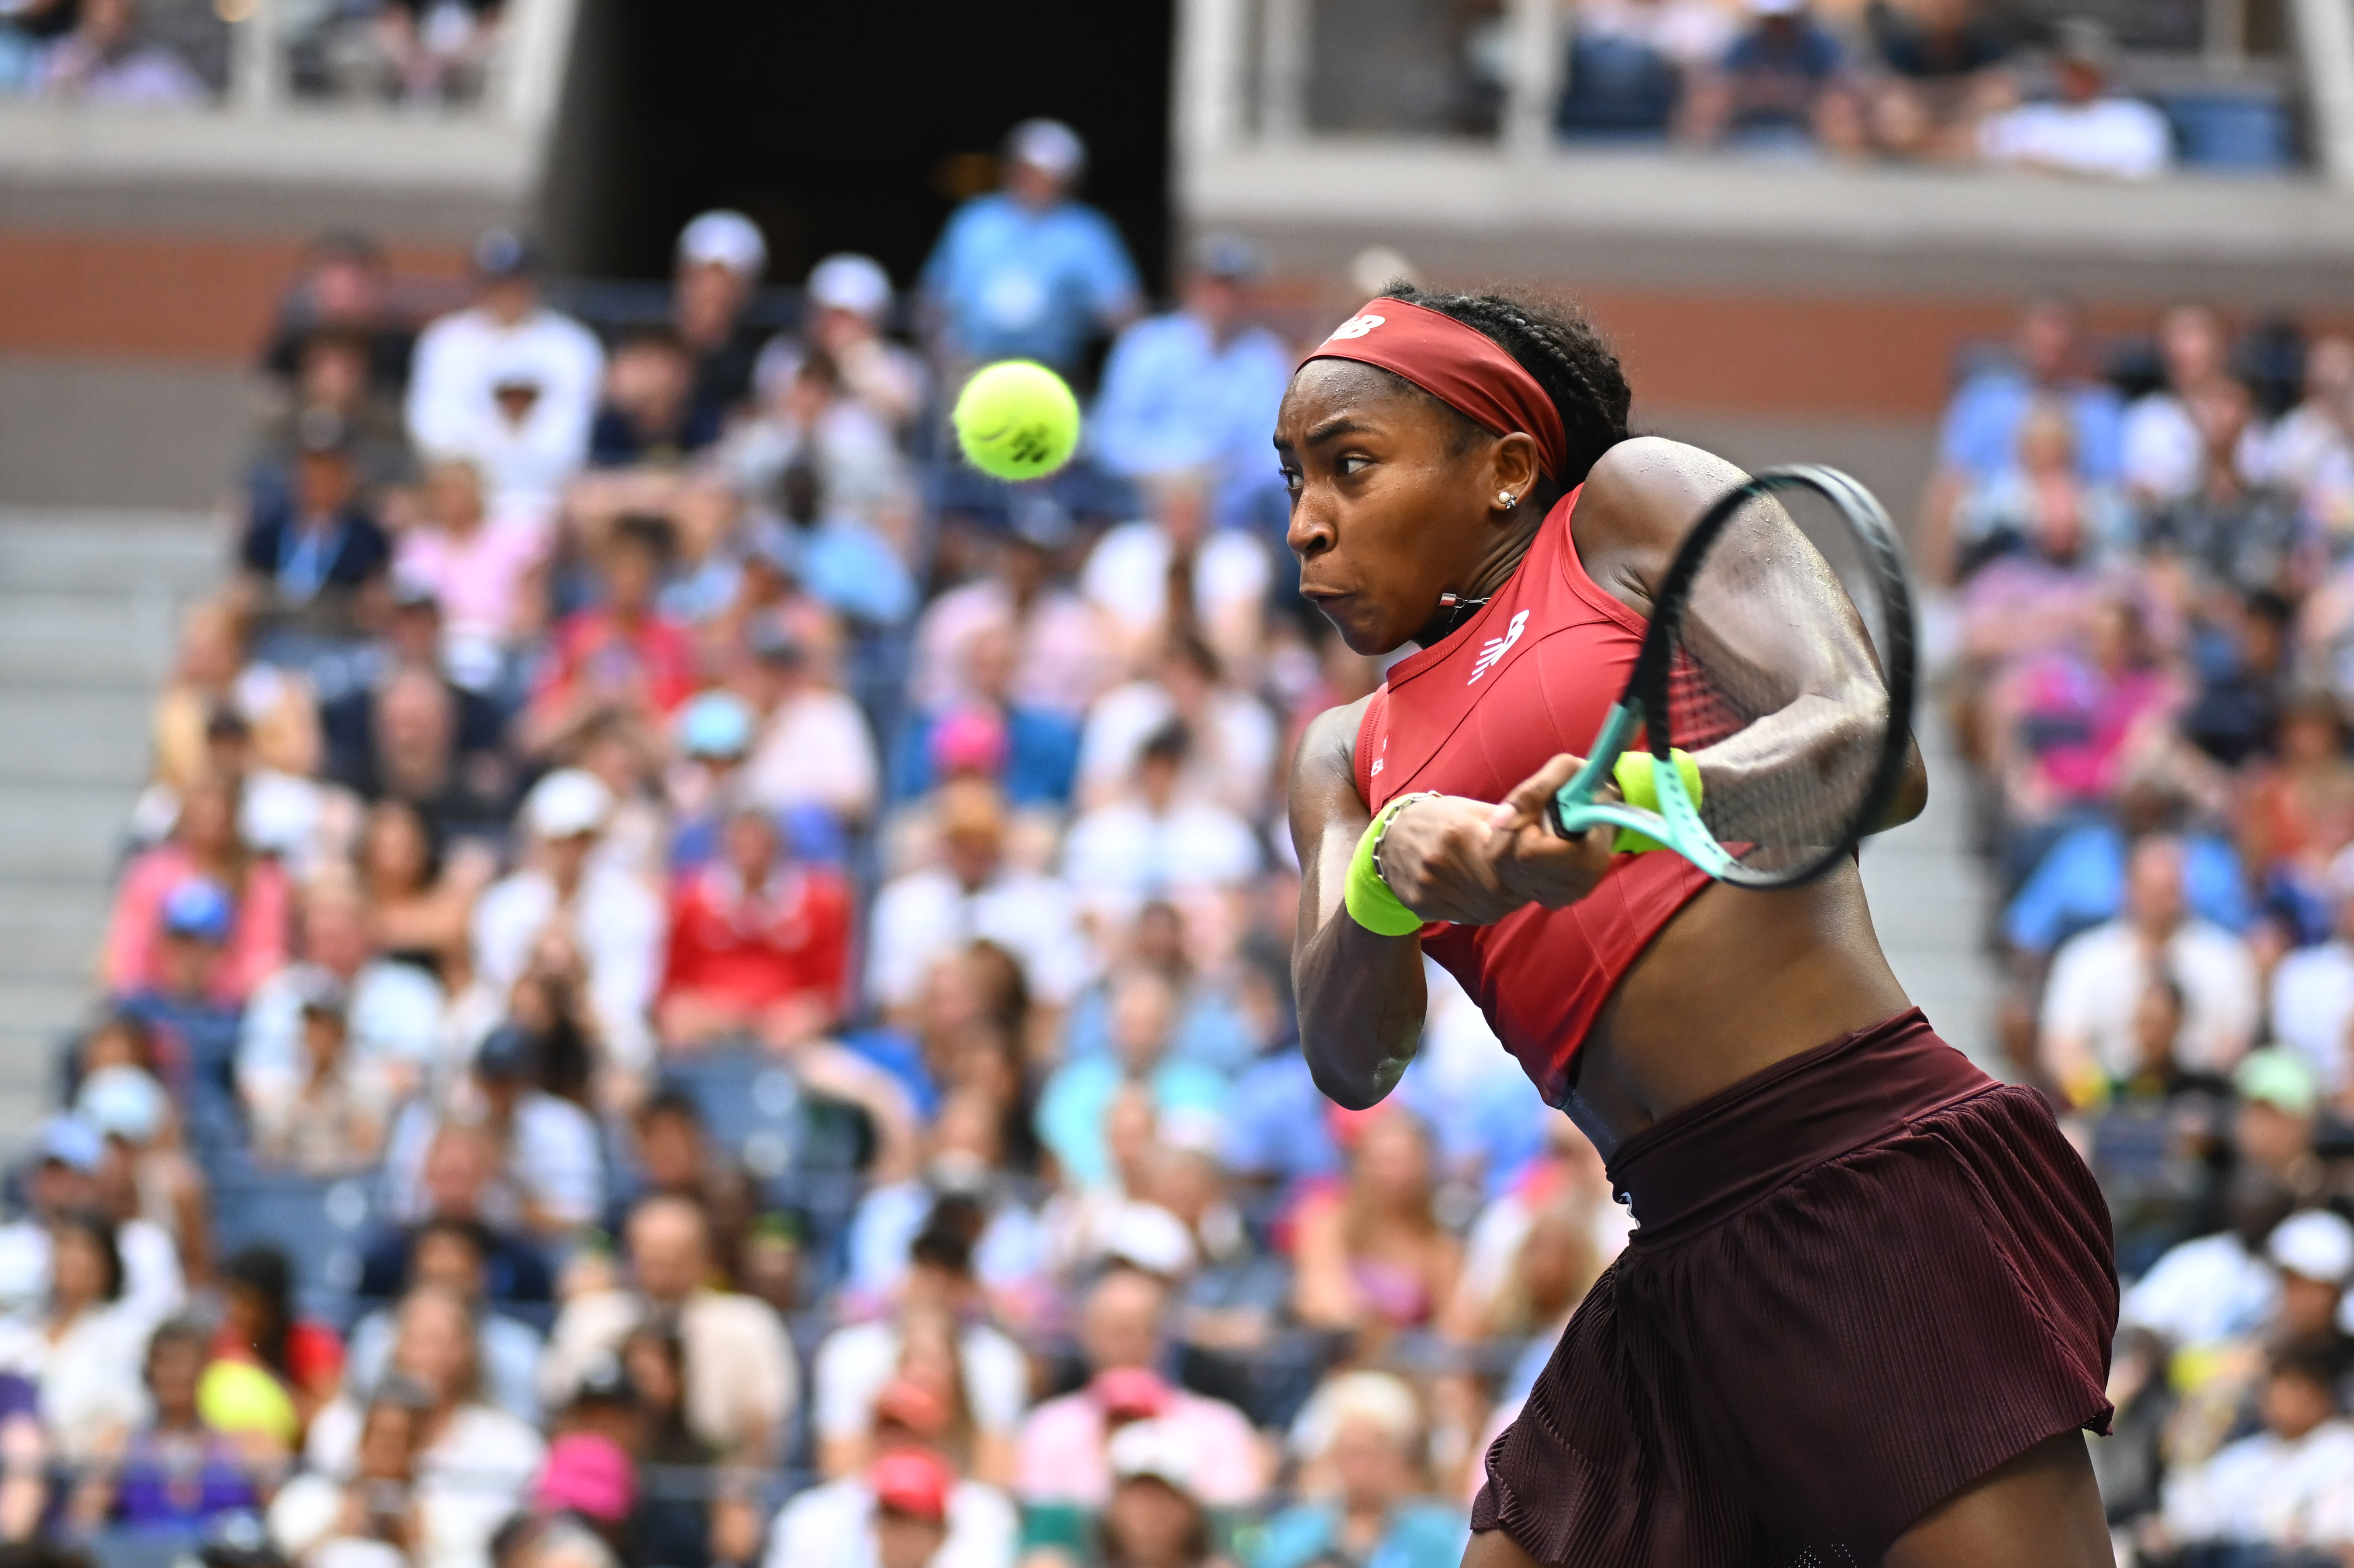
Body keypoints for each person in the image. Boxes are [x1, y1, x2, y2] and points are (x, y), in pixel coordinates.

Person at [1277, 283, 2114, 1562]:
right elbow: (1353, 1056)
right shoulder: (1346, 757)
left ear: (1505, 469)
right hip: (1673, 1260)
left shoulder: (1626, 509)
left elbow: (1872, 748)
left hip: (1868, 1180)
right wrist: (1389, 873)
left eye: (1350, 466)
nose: (1307, 527)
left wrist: (1645, 799)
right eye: (1292, 480)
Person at [537, 1196, 798, 1467]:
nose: (664, 1270)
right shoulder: (589, 1319)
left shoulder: (748, 1325)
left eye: (677, 1256)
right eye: (652, 1256)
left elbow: (768, 1429)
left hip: (713, 1483)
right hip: (603, 1479)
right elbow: (558, 1413)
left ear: (706, 1256)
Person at [303, 1288, 546, 1568]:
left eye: (440, 1341)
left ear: (469, 1352)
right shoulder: (336, 1428)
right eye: (416, 1339)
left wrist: (424, 1540)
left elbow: (504, 1544)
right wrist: (334, 1526)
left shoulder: (513, 1445)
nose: (428, 1355)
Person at [1091, 233, 1294, 538]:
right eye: (1214, 284)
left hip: (1230, 522)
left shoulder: (1264, 357)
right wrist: (1168, 474)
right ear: (1190, 286)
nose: (1223, 297)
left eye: (1233, 287)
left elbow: (1275, 451)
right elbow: (1110, 437)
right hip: (1142, 517)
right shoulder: (1145, 344)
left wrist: (1216, 480)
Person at [1013, 1266, 1265, 1511]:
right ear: (1086, 1334)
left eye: (1143, 1327)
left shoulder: (1220, 1427)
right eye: (1113, 1329)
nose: (1128, 1341)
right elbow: (1042, 1529)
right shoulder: (1048, 1428)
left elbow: (1233, 1527)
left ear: (1167, 1336)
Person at [2037, 836, 2260, 1101]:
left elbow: (2237, 1042)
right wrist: (2104, 1101)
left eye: (2170, 890)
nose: (2162, 902)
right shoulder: (2084, 958)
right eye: (2152, 890)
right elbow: (2062, 1045)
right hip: (2106, 1102)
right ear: (2128, 889)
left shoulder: (2227, 957)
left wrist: (2198, 1094)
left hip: (2199, 1105)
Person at [471, 770, 665, 1071]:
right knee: (467, 1029)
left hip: (596, 1022)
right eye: (558, 840)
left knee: (635, 1050)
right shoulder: (505, 902)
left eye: (580, 839)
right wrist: (537, 974)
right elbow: (497, 981)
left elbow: (629, 997)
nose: (569, 852)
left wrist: (576, 988)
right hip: (519, 1018)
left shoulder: (632, 905)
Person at [918, 118, 1140, 376]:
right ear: (1012, 168)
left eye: (1050, 174)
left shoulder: (1087, 232)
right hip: (973, 365)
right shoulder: (974, 221)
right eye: (1029, 169)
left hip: (1054, 369)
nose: (1036, 181)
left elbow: (1122, 309)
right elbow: (933, 296)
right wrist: (938, 358)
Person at [405, 230, 606, 516]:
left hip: (549, 498)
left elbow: (566, 444)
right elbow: (433, 432)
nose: (507, 293)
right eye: (497, 283)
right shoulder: (445, 341)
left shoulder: (573, 346)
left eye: (517, 281)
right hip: (459, 496)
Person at [656, 802, 855, 1048]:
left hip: (786, 1020)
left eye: (758, 841)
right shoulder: (692, 901)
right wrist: (721, 1014)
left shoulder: (818, 903)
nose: (750, 850)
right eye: (742, 841)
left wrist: (795, 1015)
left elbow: (829, 992)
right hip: (709, 1013)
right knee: (679, 1020)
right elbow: (674, 983)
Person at [68, 1318, 260, 1534]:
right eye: (165, 1363)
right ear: (149, 1371)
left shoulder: (246, 1445)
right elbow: (82, 1525)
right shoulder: (117, 1444)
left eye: (185, 1362)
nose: (175, 1374)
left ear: (205, 1369)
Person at [2157, 1344, 2354, 1554]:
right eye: (2276, 1387)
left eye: (2294, 1387)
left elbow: (2337, 1538)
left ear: (2322, 1396)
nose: (2281, 1398)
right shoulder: (2246, 1456)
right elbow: (2190, 1518)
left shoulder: (2342, 1447)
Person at [1255, 1372, 1466, 1568]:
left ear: (1399, 1458)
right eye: (1349, 1453)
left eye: (1372, 1453)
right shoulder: (1296, 1533)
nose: (1360, 1467)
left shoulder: (1436, 1535)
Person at [344, 1217, 542, 1424]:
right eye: (433, 1278)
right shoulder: (374, 1338)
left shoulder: (519, 1349)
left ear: (481, 1277)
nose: (444, 1295)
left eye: (453, 1279)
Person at [1977, 19, 2171, 182]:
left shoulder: (2136, 119)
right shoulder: (2031, 118)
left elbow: (2138, 163)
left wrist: (2053, 166)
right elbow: (1985, 149)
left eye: (2083, 72)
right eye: (2067, 70)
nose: (2073, 79)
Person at [1683, 0, 1860, 155]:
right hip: (1747, 120)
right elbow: (1720, 81)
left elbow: (1839, 84)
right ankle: (1701, 159)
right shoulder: (1744, 45)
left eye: (1783, 19)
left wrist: (1794, 93)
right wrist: (1751, 92)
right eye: (1771, 19)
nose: (1776, 26)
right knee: (1709, 100)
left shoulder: (1820, 45)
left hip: (1807, 120)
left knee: (1839, 106)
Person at [671, 210, 773, 428]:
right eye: (700, 276)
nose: (712, 291)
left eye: (728, 282)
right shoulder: (639, 345)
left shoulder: (764, 362)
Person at [33, 0, 203, 103]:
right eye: (99, 23)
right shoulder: (58, 58)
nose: (108, 30)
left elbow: (196, 114)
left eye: (116, 21)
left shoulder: (157, 69)